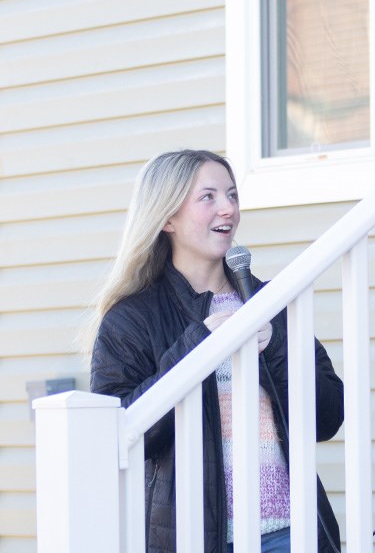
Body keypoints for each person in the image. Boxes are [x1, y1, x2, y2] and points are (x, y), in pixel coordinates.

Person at [86, 150, 344, 553]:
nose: (229, 208)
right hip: (195, 539)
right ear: (167, 218)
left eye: (232, 195)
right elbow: (119, 434)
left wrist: (274, 346)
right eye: (208, 197)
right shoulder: (131, 319)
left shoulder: (272, 302)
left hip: (290, 534)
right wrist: (197, 348)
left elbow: (327, 418)